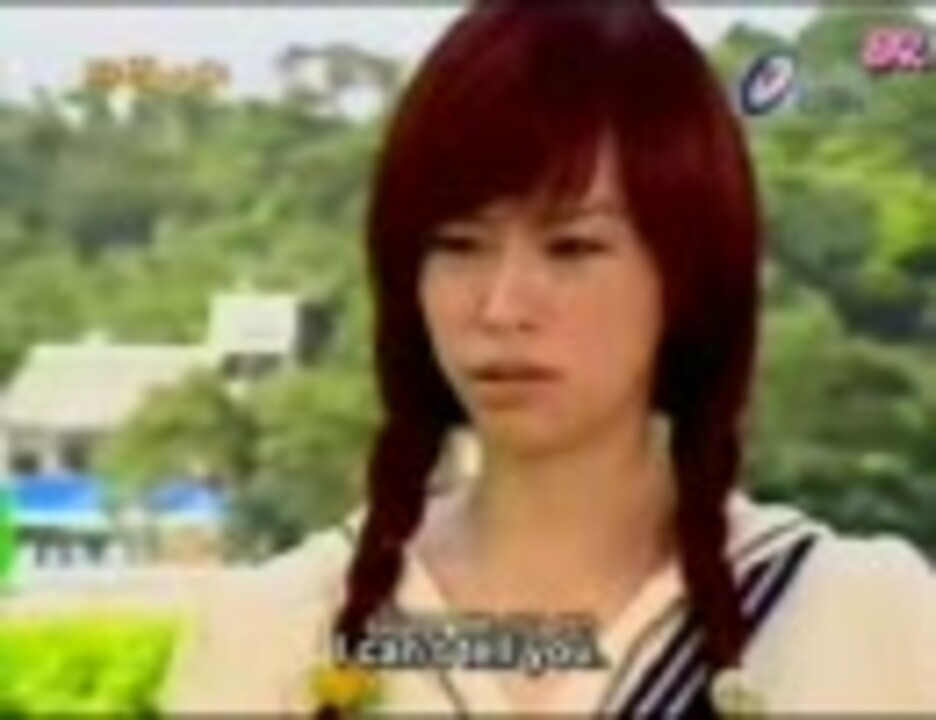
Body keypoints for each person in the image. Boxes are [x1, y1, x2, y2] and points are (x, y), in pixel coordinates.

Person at [160, 1, 936, 716]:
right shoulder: (275, 632)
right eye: (459, 244)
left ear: (688, 275)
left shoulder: (860, 617)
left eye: (572, 247)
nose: (502, 307)